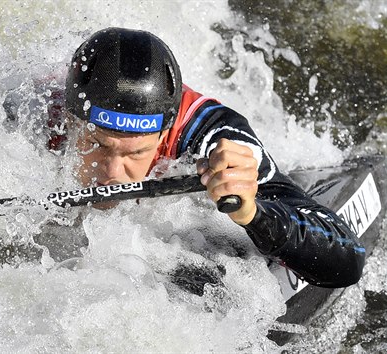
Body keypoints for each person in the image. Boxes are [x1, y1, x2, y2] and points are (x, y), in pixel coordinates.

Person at [55, 27, 365, 288]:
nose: (112, 171)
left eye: (136, 152)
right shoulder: (34, 117)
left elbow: (349, 259)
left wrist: (252, 214)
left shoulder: (214, 136)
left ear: (164, 135)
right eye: (99, 145)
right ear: (70, 122)